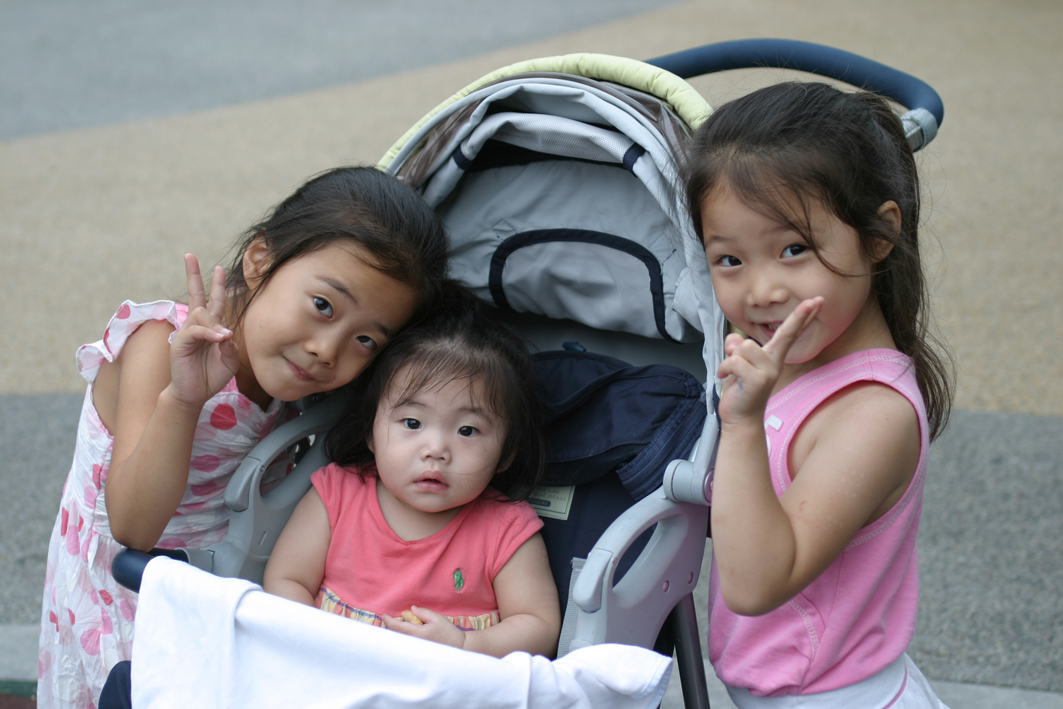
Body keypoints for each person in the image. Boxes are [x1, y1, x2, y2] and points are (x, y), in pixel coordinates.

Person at [38, 166, 450, 709]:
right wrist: (184, 400)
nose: (327, 350)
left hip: (228, 581)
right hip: (125, 591)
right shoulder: (160, 346)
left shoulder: (309, 379)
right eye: (323, 306)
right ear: (258, 261)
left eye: (366, 340)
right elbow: (133, 527)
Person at [682, 82, 954, 708]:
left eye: (794, 249)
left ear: (880, 235)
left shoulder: (873, 414)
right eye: (729, 260)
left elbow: (757, 584)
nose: (762, 291)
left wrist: (741, 426)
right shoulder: (785, 360)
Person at [263, 287, 562, 659]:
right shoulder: (337, 493)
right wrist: (314, 643)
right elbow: (286, 579)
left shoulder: (506, 528)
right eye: (412, 422)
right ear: (371, 432)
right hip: (329, 664)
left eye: (467, 430)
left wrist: (467, 644)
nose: (435, 449)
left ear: (505, 454)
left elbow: (539, 625)